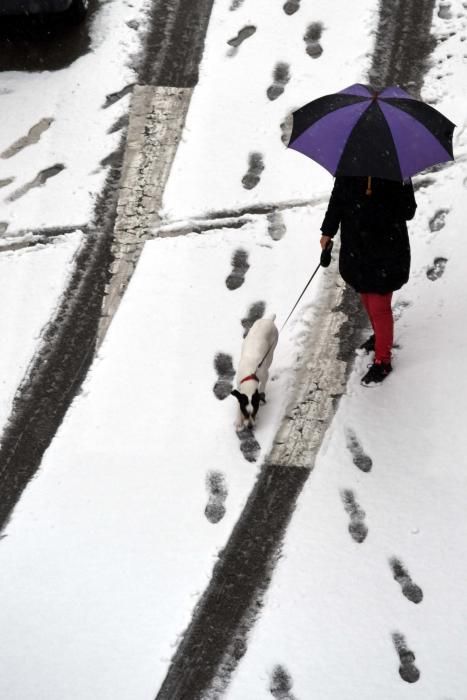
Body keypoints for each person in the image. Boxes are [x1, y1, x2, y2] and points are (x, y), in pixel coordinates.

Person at [320, 175, 417, 386]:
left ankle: (383, 361)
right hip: (357, 248)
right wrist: (328, 231)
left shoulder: (395, 170)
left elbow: (408, 210)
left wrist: (406, 181)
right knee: (365, 296)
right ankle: (379, 336)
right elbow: (337, 199)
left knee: (379, 306)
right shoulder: (350, 166)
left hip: (386, 250)